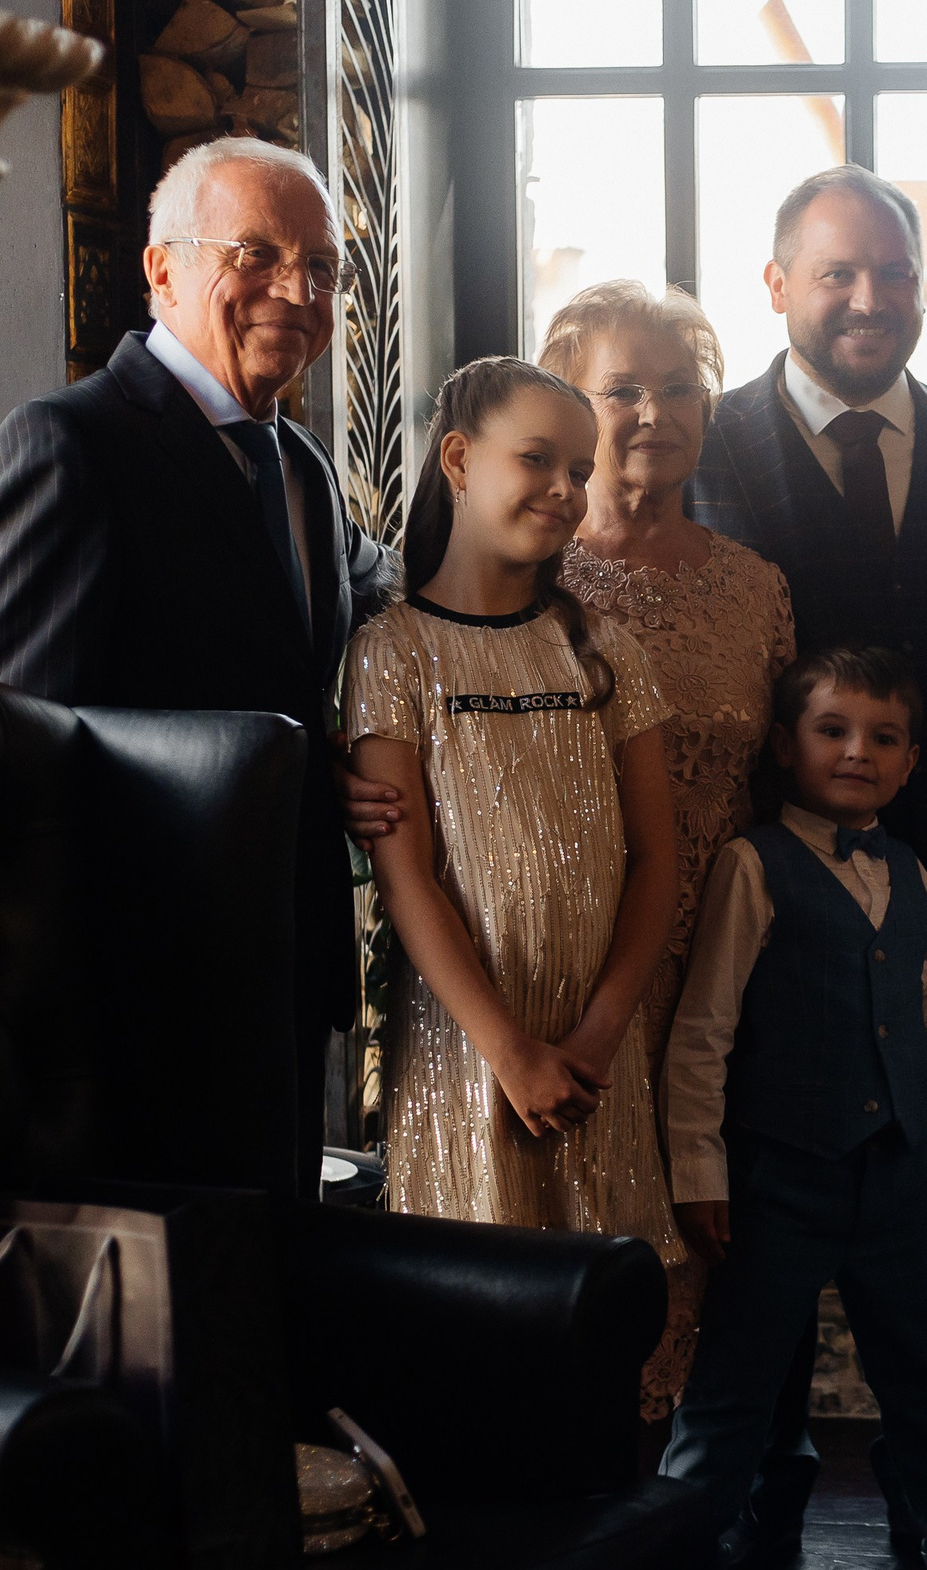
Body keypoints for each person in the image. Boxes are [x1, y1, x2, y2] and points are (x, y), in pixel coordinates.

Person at [686, 163, 927, 1568]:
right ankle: (755, 1512)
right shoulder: (704, 443)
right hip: (767, 903)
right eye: (836, 273)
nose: (867, 298)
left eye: (891, 273)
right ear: (777, 287)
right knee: (761, 1239)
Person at [0, 135, 399, 1197]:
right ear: (162, 269)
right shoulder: (68, 445)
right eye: (255, 253)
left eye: (322, 267)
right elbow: (19, 749)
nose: (295, 291)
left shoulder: (299, 465)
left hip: (286, 970)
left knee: (273, 1308)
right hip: (133, 1000)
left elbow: (302, 663)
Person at [660, 646, 927, 1570]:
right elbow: (704, 1027)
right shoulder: (755, 866)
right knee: (733, 1389)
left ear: (912, 761)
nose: (856, 751)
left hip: (894, 1180)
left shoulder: (910, 872)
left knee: (925, 1376)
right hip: (778, 1176)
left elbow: (923, 1005)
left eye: (882, 737)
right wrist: (701, 1168)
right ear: (788, 746)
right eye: (832, 729)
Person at [344, 358, 684, 1283]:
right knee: (477, 1324)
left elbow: (659, 860)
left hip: (591, 1058)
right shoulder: (392, 650)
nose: (566, 490)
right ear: (458, 459)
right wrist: (509, 1052)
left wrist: (597, 1037)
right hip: (470, 1053)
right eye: (538, 460)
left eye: (581, 470)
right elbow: (405, 874)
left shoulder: (602, 651)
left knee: (600, 1330)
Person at [536, 280, 797, 1423]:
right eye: (623, 389)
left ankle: (688, 1525)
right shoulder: (526, 578)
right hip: (571, 953)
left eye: (680, 387)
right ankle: (578, 1511)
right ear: (571, 406)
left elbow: (784, 780)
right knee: (577, 1226)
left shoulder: (756, 587)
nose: (655, 411)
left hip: (720, 960)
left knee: (703, 1225)